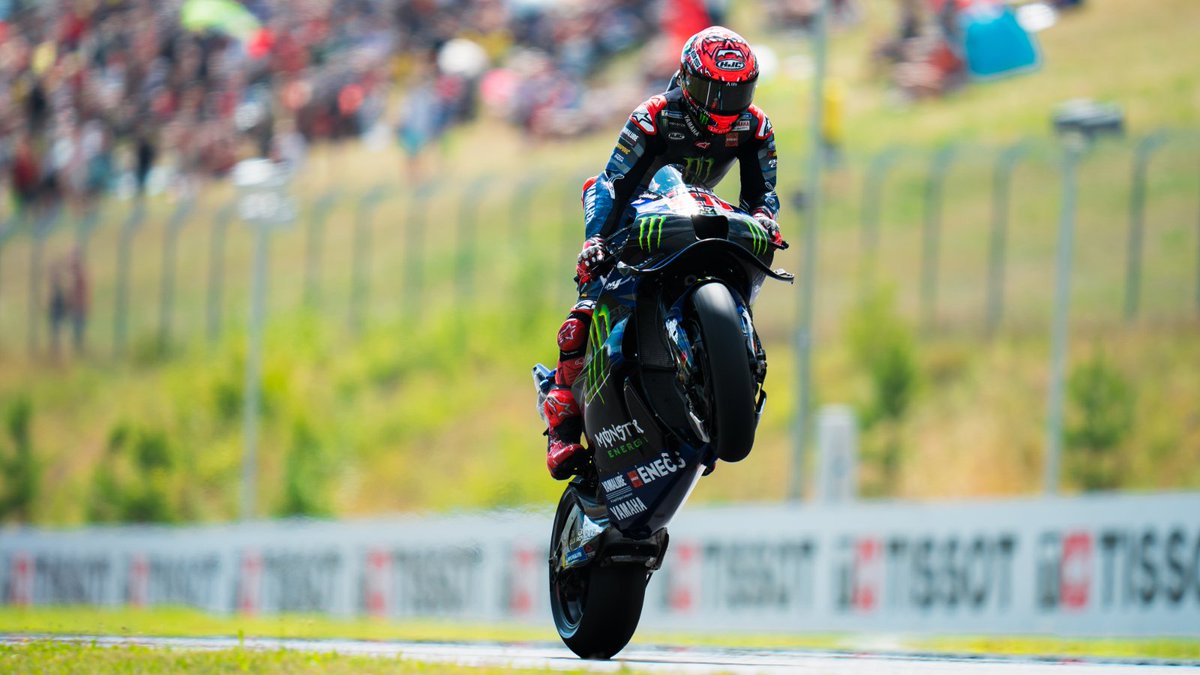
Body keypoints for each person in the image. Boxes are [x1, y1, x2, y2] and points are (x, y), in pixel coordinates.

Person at [542, 26, 784, 479]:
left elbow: (762, 193)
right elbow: (614, 183)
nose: (721, 106)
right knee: (584, 313)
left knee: (746, 251)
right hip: (632, 209)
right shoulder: (653, 115)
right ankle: (561, 426)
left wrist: (765, 221)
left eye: (735, 94)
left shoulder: (755, 126)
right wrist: (596, 241)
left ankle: (724, 358)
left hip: (694, 206)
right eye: (710, 91)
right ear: (687, 80)